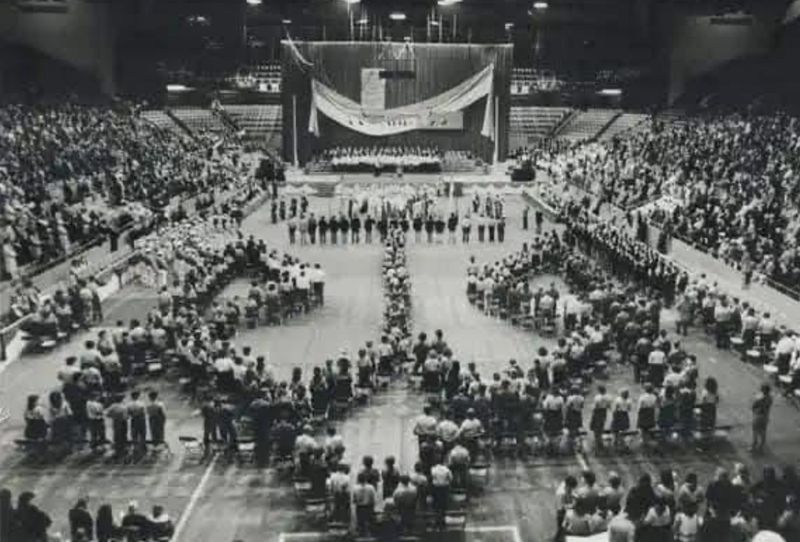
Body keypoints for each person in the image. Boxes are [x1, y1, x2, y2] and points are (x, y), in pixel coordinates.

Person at [751, 383, 772, 453]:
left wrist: (756, 407)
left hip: (760, 415)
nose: (761, 390)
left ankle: (756, 444)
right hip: (764, 416)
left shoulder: (761, 397)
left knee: (756, 430)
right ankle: (760, 445)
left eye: (762, 389)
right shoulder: (770, 398)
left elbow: (755, 405)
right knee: (762, 431)